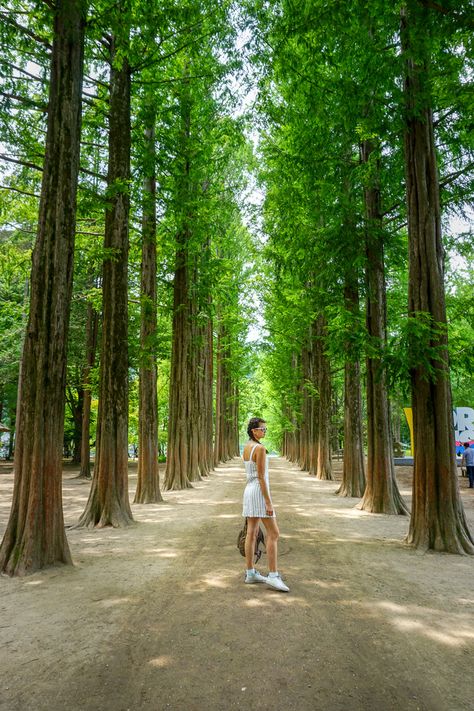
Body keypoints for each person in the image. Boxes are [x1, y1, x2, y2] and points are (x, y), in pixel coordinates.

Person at [242, 417, 289, 593]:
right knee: (274, 533)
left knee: (251, 533)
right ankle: (273, 575)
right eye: (263, 429)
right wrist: (268, 501)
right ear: (254, 431)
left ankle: (250, 572)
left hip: (249, 491)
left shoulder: (247, 447)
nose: (264, 432)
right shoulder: (260, 448)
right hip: (259, 493)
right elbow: (261, 477)